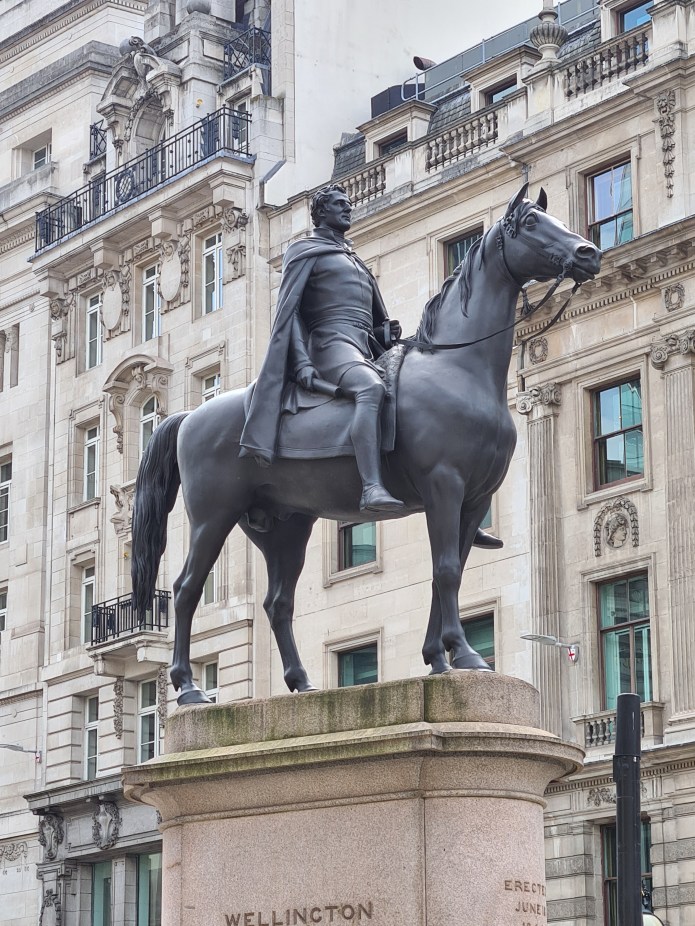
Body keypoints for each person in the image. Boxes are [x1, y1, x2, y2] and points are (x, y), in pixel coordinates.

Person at [240, 184, 504, 542]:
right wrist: (302, 362)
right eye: (339, 205)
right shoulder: (304, 251)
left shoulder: (352, 257)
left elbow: (368, 313)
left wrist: (384, 328)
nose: (347, 209)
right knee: (371, 388)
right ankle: (371, 487)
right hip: (330, 345)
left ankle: (455, 508)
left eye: (348, 204)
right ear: (320, 213)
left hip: (365, 346)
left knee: (413, 395)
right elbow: (290, 314)